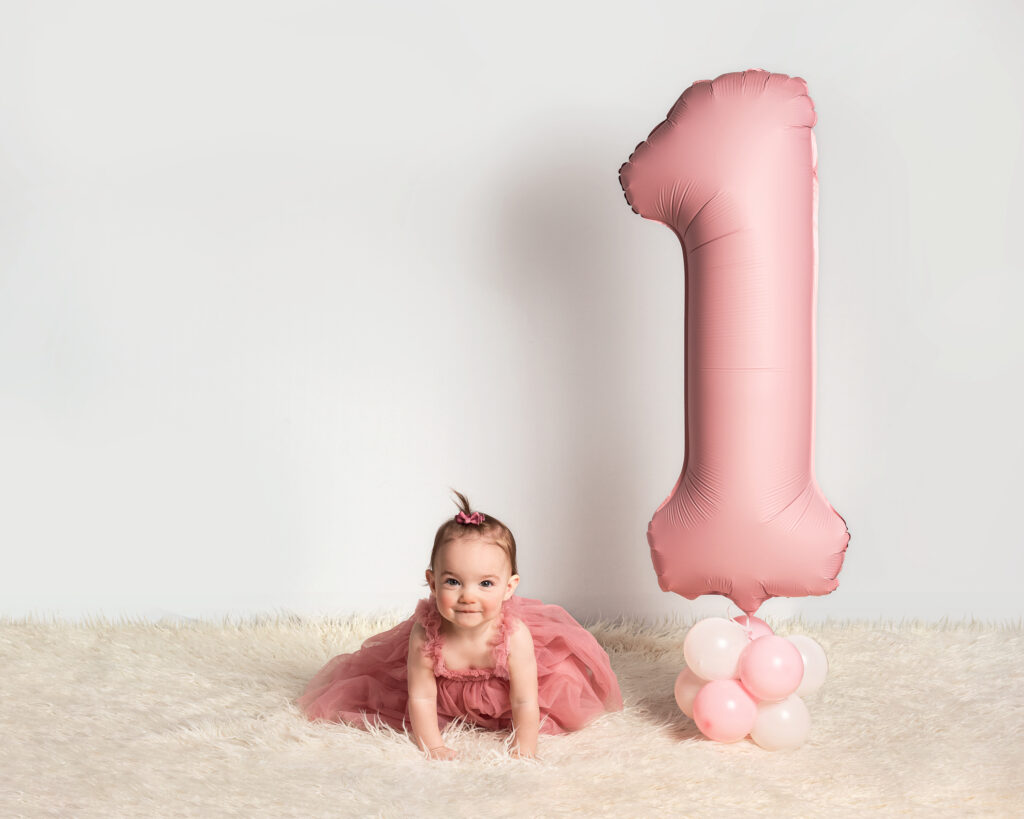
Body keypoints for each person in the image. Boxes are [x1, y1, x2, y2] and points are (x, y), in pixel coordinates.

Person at [296, 490, 623, 759]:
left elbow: (524, 700)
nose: (468, 596)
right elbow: (422, 698)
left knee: (555, 709)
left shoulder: (514, 636)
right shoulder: (426, 634)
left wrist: (525, 749)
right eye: (453, 581)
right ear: (433, 583)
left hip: (507, 700)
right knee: (389, 702)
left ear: (509, 587)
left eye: (485, 584)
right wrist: (433, 746)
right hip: (444, 701)